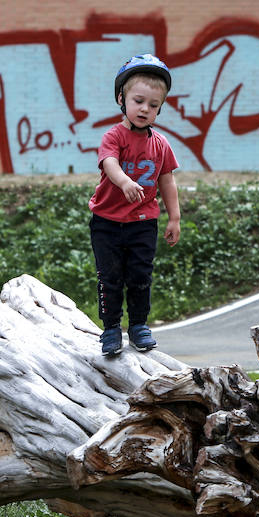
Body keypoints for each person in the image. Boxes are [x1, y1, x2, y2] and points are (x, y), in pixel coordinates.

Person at [88, 53, 182, 356]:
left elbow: (166, 181)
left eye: (153, 105)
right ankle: (111, 329)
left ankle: (139, 326)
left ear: (160, 108)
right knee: (110, 277)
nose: (145, 109)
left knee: (140, 276)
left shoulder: (161, 144)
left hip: (142, 222)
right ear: (121, 99)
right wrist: (125, 182)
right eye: (138, 101)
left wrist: (174, 219)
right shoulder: (113, 136)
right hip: (107, 221)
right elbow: (110, 162)